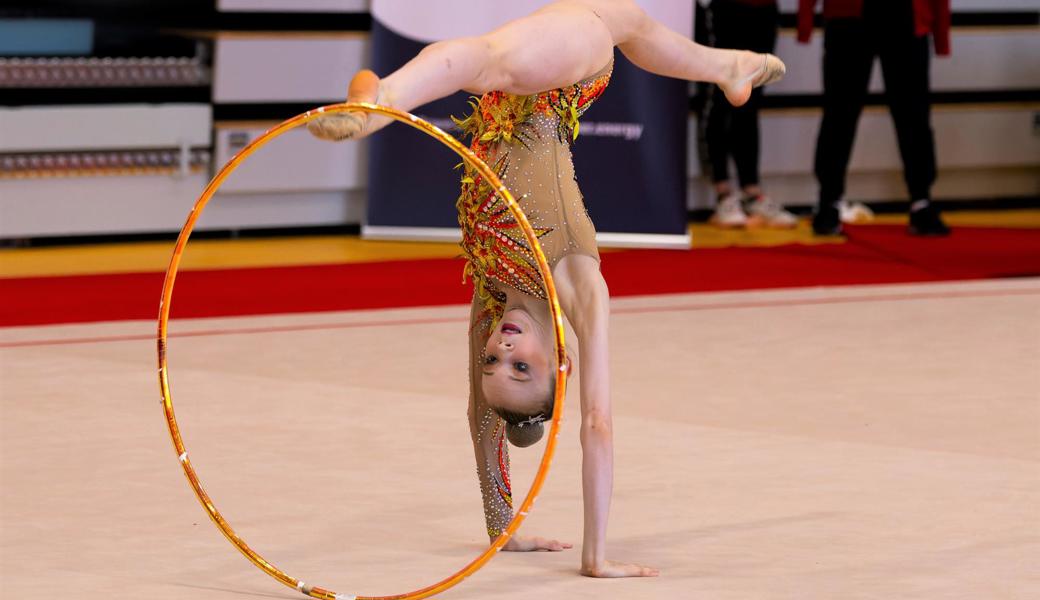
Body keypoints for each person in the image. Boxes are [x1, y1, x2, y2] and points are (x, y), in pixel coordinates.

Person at [309, 0, 785, 578]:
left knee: (625, 23)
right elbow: (598, 423)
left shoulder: (494, 294)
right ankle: (379, 104)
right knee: (494, 61)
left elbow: (480, 419)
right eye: (522, 370)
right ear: (559, 362)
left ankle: (729, 67)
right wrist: (595, 555)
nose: (503, 352)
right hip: (563, 79)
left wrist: (502, 525)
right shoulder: (577, 281)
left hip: (524, 81)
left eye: (493, 362)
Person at [799, 0, 951, 236]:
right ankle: (829, 201)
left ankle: (921, 200)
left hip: (906, 15)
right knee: (839, 113)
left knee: (914, 116)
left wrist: (941, 32)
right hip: (848, 15)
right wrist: (805, 20)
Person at [704, 0, 797, 229]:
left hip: (763, 9)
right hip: (724, 9)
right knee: (720, 95)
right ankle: (724, 194)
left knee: (750, 101)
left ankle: (751, 192)